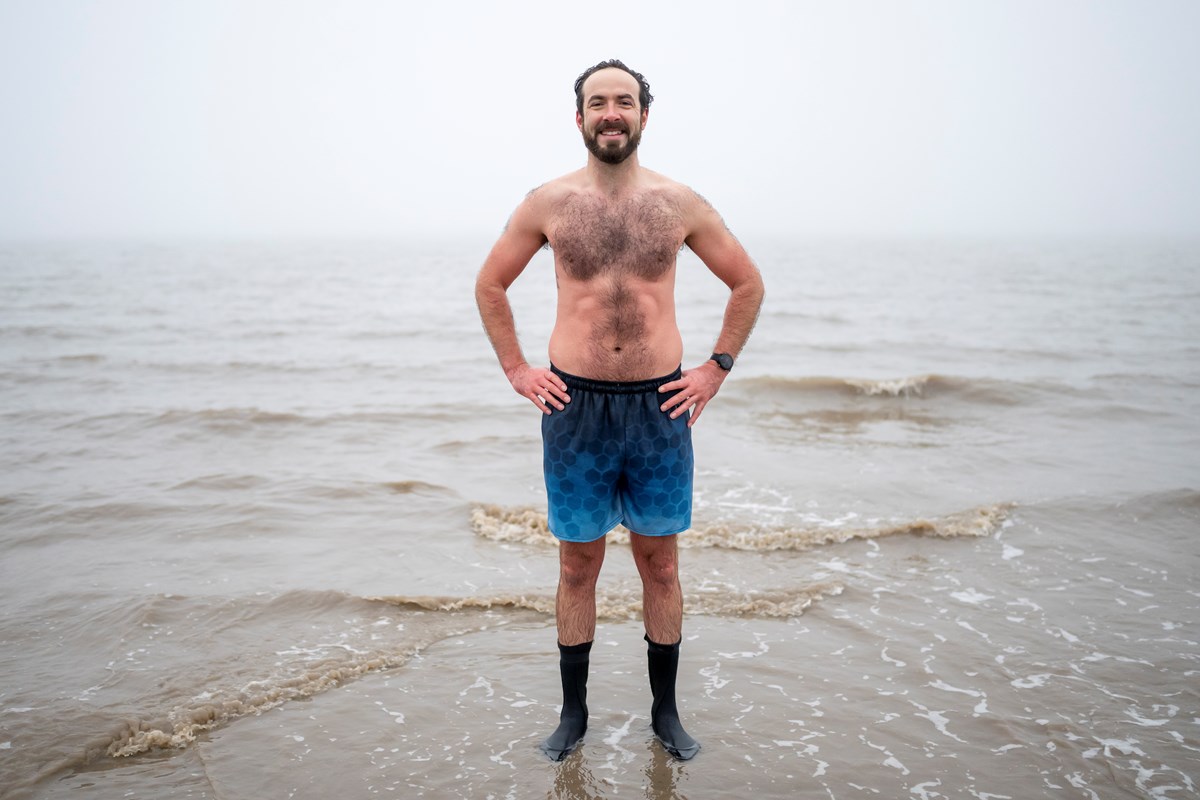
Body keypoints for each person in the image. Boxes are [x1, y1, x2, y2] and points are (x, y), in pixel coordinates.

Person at [475, 59, 764, 762]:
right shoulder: (547, 203)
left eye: (624, 101)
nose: (612, 112)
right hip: (576, 409)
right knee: (578, 567)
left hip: (659, 407)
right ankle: (573, 717)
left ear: (643, 115)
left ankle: (666, 715)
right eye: (598, 102)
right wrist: (516, 369)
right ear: (579, 118)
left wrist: (715, 369)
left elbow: (747, 284)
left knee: (660, 566)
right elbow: (490, 284)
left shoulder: (680, 203)